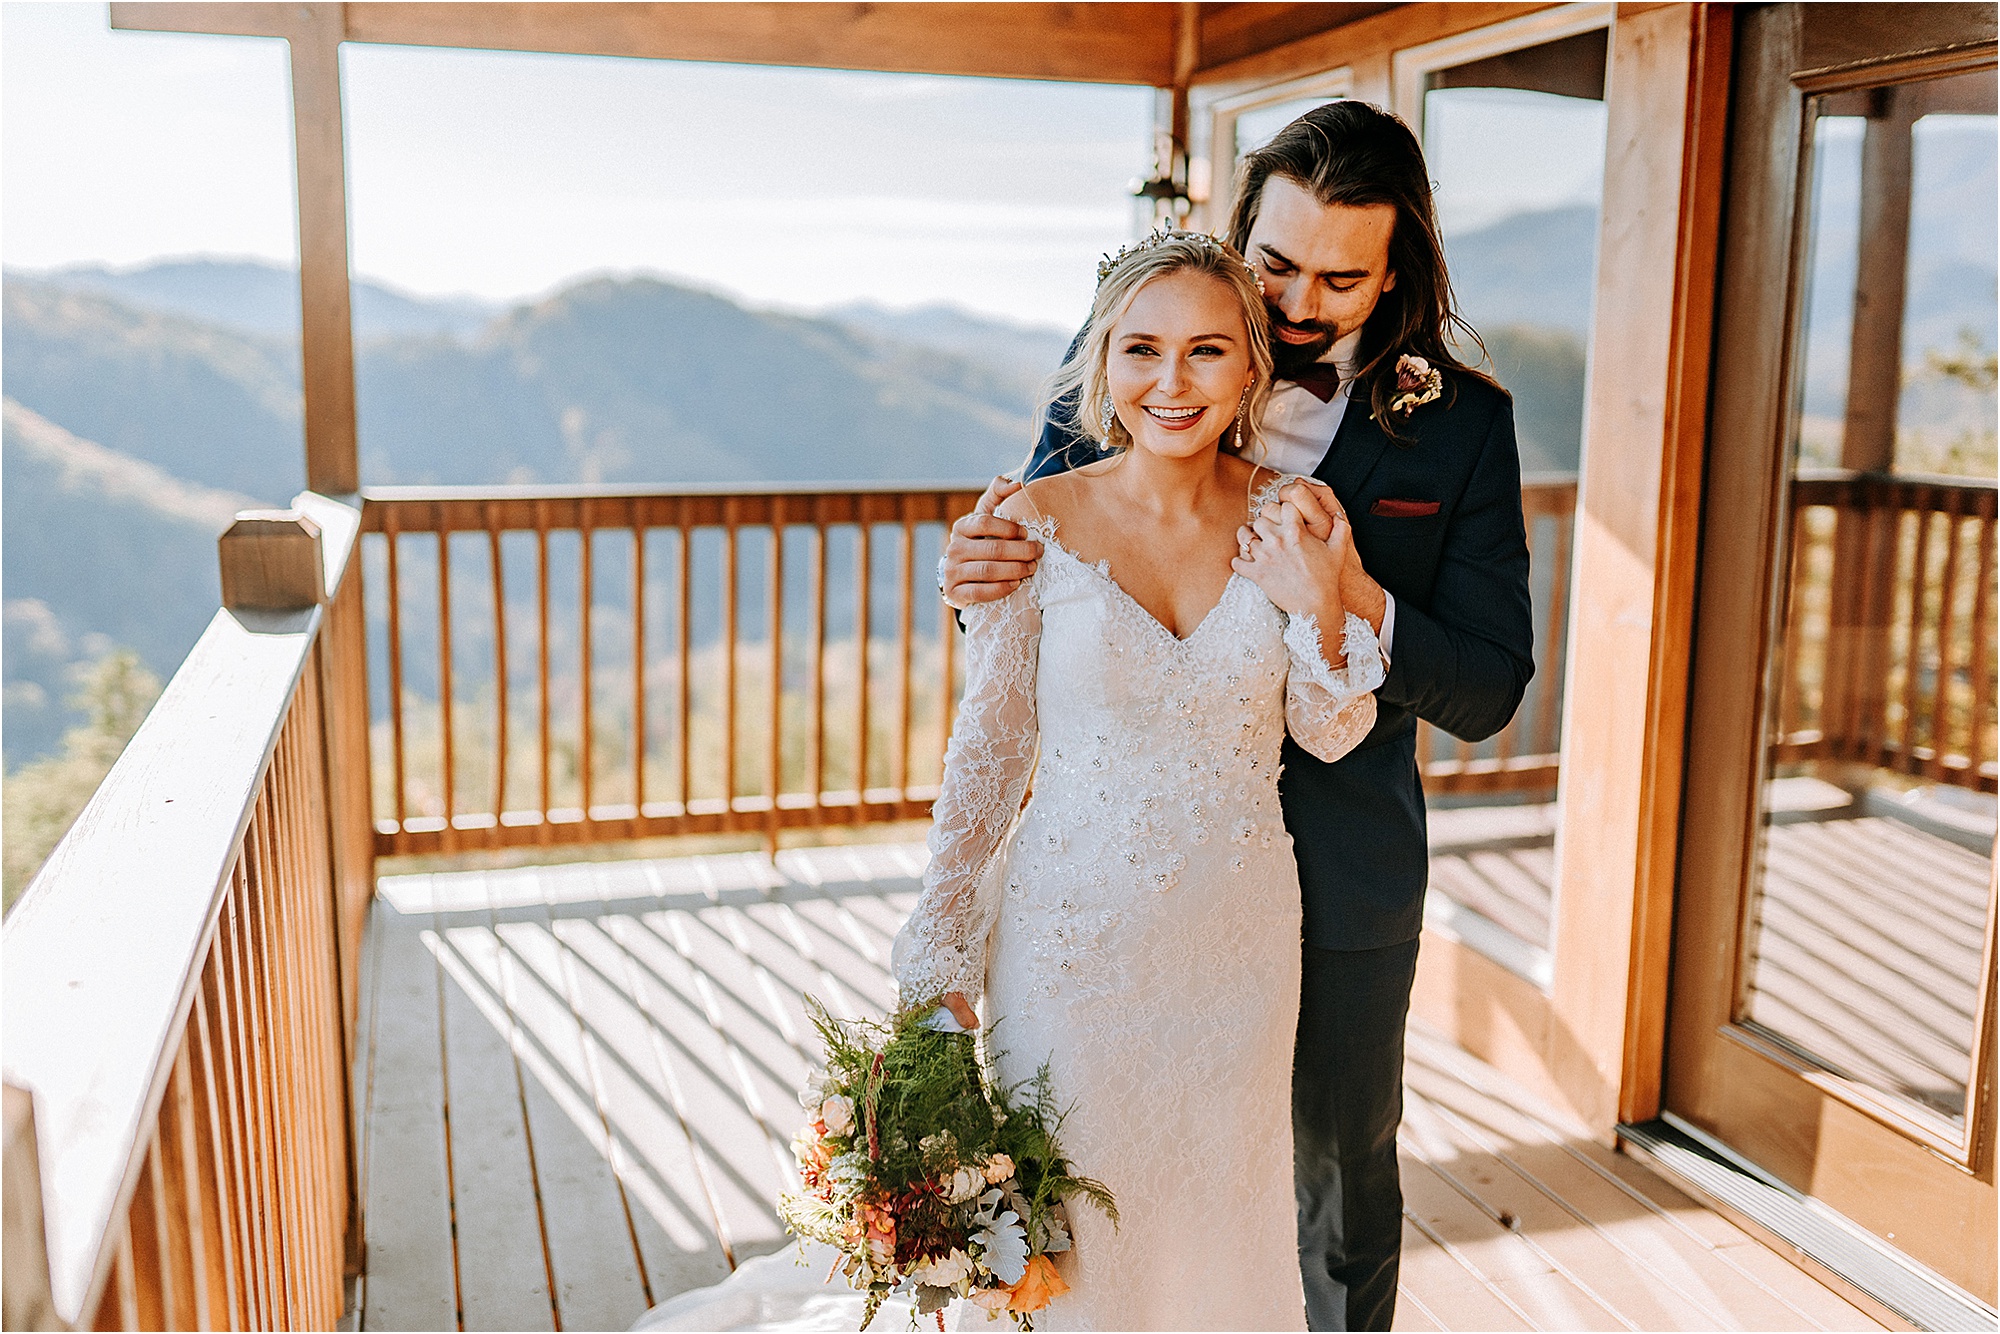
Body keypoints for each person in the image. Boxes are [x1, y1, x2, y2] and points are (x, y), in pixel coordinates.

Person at [940, 101, 1535, 1332]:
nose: (1296, 306)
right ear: (1236, 230)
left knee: (1333, 1189)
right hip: (1118, 890)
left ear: (1398, 270)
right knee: (1103, 1188)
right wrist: (968, 578)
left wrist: (1353, 594)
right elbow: (1041, 568)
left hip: (1341, 867)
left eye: (1341, 278)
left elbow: (1486, 685)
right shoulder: (1145, 342)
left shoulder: (1463, 424)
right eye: (1273, 265)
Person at [893, 227, 1384, 1330]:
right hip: (1069, 943)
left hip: (1236, 947)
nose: (1173, 381)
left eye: (1207, 351)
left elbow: (1332, 730)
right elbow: (988, 757)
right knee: (1065, 1235)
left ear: (1251, 367)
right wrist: (939, 959)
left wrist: (1318, 594)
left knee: (1218, 1222)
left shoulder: (1296, 514)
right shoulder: (1033, 522)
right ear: (1102, 363)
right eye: (1141, 349)